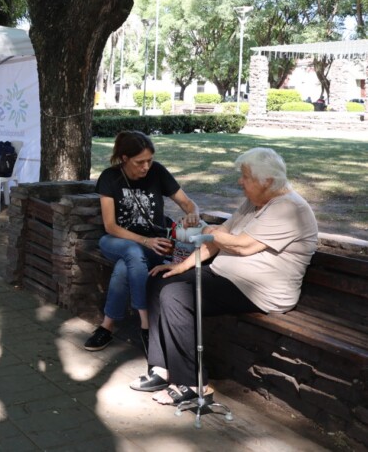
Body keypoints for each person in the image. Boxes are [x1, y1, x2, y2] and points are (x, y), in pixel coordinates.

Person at [134, 148, 317, 406]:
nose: (240, 181)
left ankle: (192, 383)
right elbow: (216, 241)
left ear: (267, 181)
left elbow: (242, 246)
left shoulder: (289, 207)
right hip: (226, 278)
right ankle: (162, 368)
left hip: (261, 291)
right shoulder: (254, 202)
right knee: (160, 279)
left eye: (245, 177)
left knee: (176, 295)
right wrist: (182, 266)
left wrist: (212, 232)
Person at [84, 130, 199, 352]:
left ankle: (107, 327)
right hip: (116, 240)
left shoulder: (158, 172)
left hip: (153, 245)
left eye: (149, 160)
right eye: (140, 162)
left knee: (125, 266)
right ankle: (146, 325)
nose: (146, 167)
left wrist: (193, 214)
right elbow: (110, 226)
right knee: (131, 251)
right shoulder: (110, 177)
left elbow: (187, 203)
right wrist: (145, 241)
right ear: (125, 158)